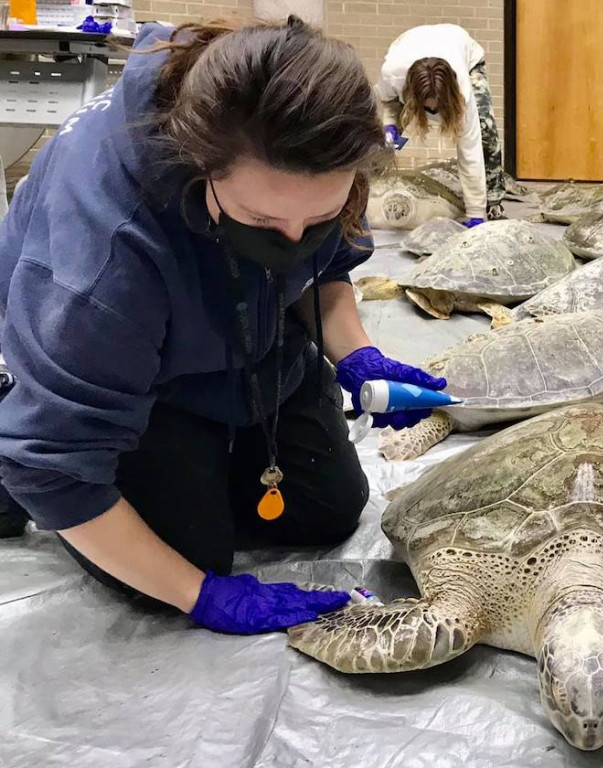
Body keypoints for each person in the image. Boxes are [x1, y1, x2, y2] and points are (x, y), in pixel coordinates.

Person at [0, 18, 448, 635]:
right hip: (138, 374)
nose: (294, 241)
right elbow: (51, 468)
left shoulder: (317, 152)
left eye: (316, 218)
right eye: (263, 220)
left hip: (253, 337)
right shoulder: (104, 261)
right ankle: (23, 419)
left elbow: (324, 270)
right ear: (198, 165)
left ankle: (205, 459)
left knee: (327, 512)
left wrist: (358, 357)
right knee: (183, 562)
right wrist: (202, 595)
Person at [376, 23, 504, 225]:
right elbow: (388, 102)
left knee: (485, 130)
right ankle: (367, 192)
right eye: (428, 108)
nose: (433, 114)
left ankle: (492, 201)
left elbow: (470, 153)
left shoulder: (462, 90)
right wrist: (389, 125)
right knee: (381, 140)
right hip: (407, 44)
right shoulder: (392, 74)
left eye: (437, 109)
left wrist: (476, 213)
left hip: (466, 56)